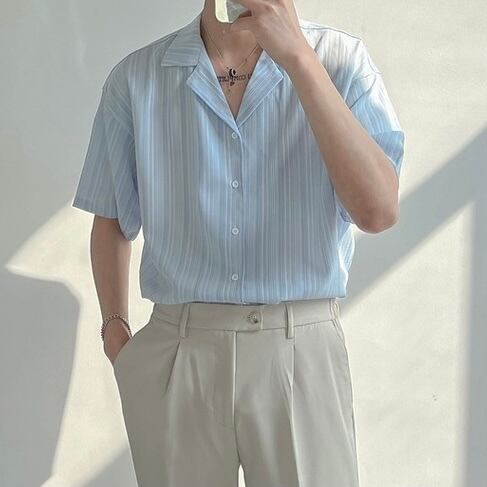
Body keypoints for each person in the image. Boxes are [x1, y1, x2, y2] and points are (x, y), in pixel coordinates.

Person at [72, 0, 405, 485]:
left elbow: (377, 212)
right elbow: (111, 218)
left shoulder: (340, 61)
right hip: (179, 353)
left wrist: (300, 59)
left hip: (301, 350)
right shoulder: (138, 77)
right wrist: (115, 334)